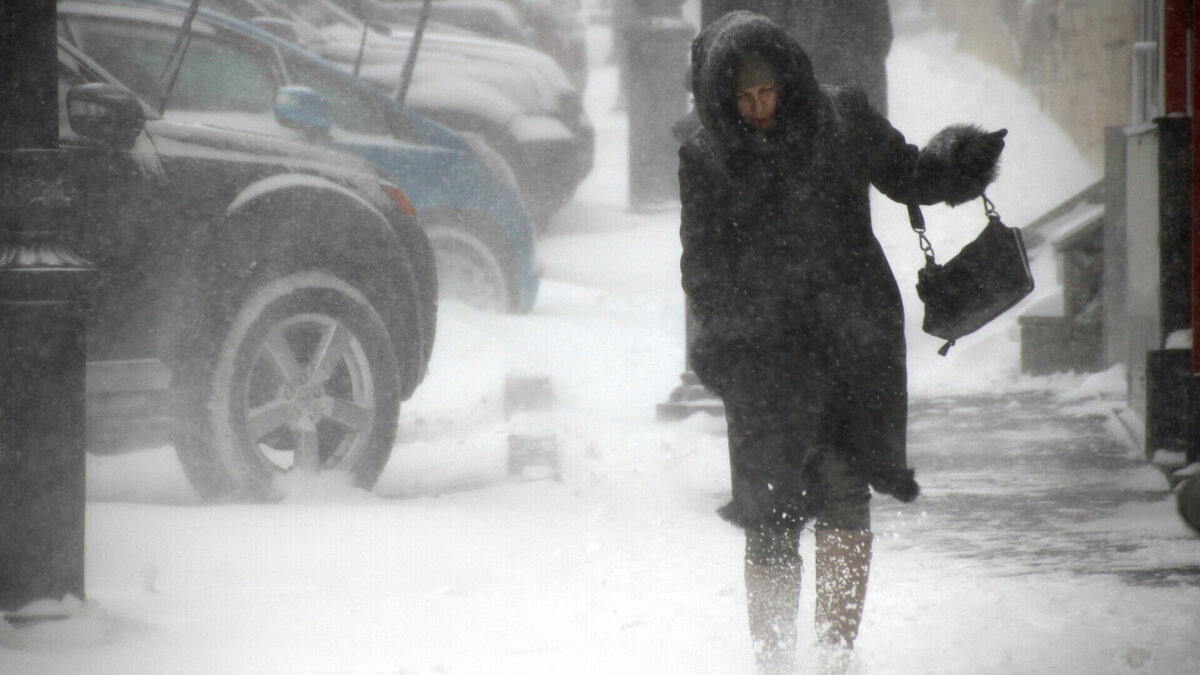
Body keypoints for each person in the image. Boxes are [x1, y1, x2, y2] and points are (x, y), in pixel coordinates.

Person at [677, 11, 1006, 674]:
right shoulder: (705, 152)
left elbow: (909, 173)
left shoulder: (841, 118)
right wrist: (727, 338)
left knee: (843, 498)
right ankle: (773, 663)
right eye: (742, 98)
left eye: (767, 92)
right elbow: (702, 262)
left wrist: (959, 164)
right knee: (769, 515)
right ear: (721, 98)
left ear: (789, 80)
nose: (758, 107)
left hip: (849, 345)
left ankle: (833, 658)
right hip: (763, 358)